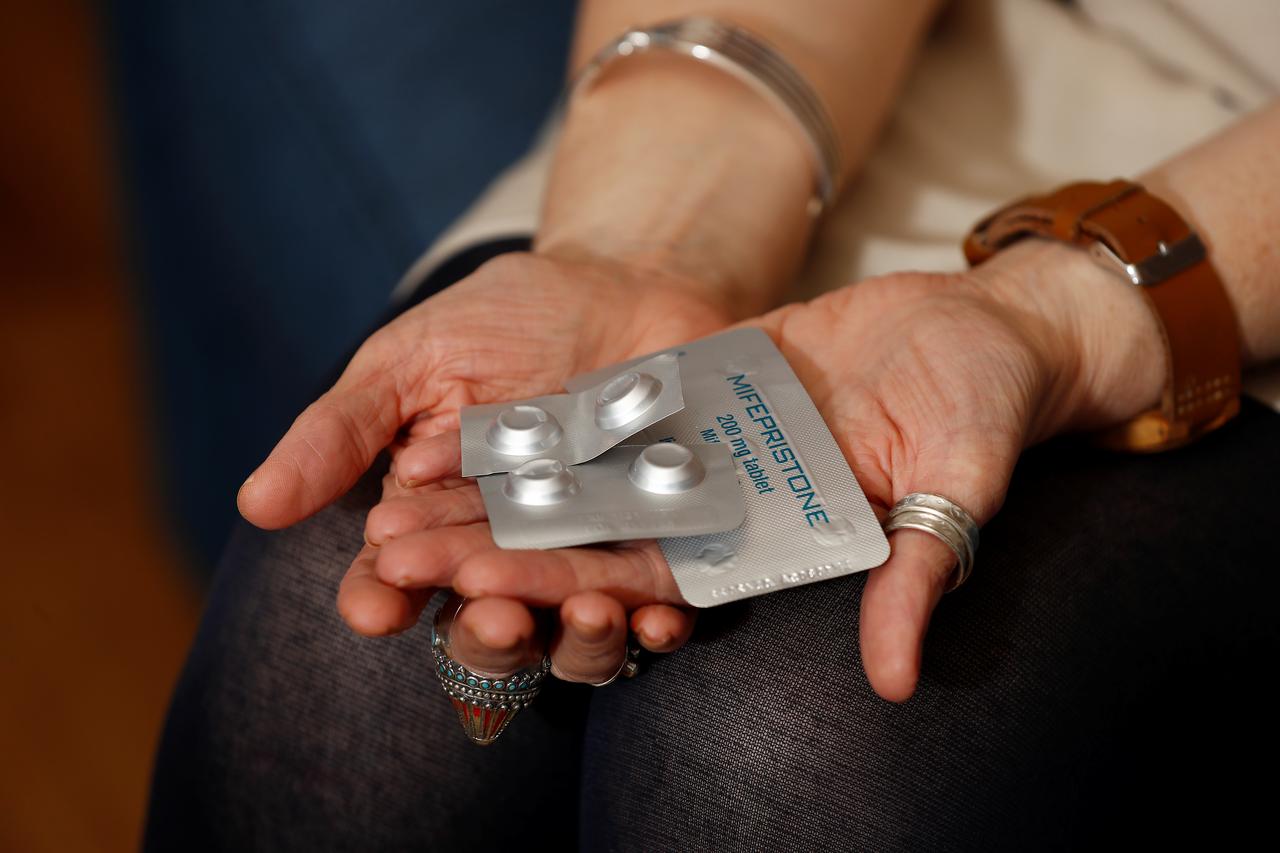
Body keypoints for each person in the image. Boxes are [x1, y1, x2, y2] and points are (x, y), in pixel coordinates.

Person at [147, 1, 1280, 849]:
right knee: (341, 599)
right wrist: (646, 246)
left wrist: (1059, 315)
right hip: (927, 58)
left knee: (787, 735)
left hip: (1245, 229)